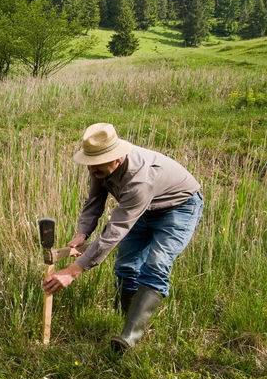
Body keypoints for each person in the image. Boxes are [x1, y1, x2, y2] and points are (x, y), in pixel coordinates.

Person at [43, 123, 204, 352]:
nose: (92, 172)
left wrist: (72, 271)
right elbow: (94, 201)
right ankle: (128, 320)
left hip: (178, 209)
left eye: (96, 167)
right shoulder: (100, 166)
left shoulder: (140, 179)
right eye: (90, 166)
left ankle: (129, 337)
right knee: (126, 267)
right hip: (142, 210)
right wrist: (82, 233)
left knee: (156, 264)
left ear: (116, 159)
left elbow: (115, 231)